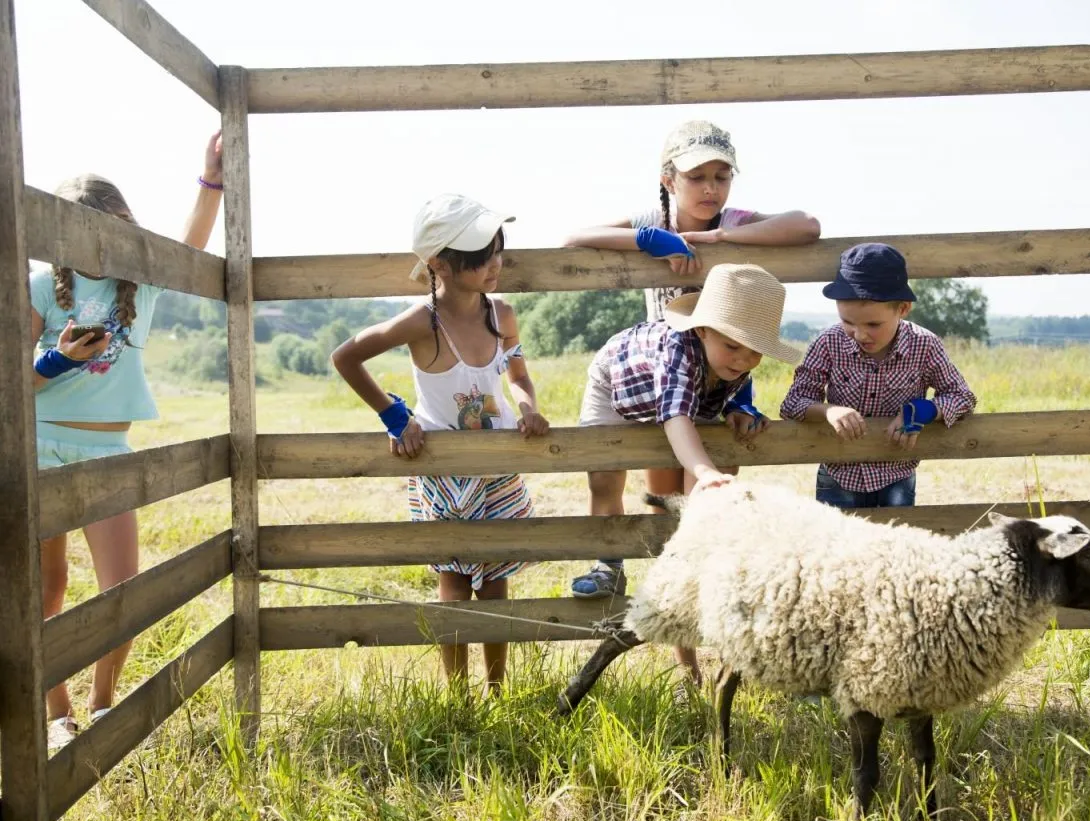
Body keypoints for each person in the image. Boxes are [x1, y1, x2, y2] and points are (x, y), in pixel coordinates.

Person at [564, 119, 820, 597]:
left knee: (701, 479)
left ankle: (693, 573)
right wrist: (650, 240)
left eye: (721, 178)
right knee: (616, 475)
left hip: (723, 372)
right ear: (668, 180)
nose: (710, 189)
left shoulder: (734, 222)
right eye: (696, 178)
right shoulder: (653, 219)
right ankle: (610, 564)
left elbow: (807, 226)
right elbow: (574, 237)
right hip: (651, 369)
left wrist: (717, 241)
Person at [31, 132, 226, 749]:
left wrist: (211, 179)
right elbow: (15, 385)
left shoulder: (142, 283)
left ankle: (104, 701)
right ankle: (58, 713)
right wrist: (57, 361)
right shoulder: (38, 286)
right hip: (41, 446)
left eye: (121, 227)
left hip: (108, 451)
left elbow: (191, 242)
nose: (113, 240)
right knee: (48, 588)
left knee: (124, 592)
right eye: (99, 230)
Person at [331, 194, 548, 694]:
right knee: (453, 583)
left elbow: (517, 374)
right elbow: (346, 358)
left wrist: (528, 407)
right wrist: (394, 416)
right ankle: (456, 694)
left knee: (495, 582)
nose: (495, 263)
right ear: (440, 265)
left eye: (497, 249)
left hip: (497, 466)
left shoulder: (502, 314)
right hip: (442, 469)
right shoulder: (421, 322)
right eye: (480, 256)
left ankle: (497, 689)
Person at [573, 262, 800, 684]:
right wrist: (703, 469)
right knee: (604, 474)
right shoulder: (674, 349)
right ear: (702, 331)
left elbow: (722, 395)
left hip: (686, 406)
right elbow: (676, 414)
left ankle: (694, 666)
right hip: (619, 391)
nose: (745, 359)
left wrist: (740, 408)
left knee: (688, 536)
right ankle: (608, 562)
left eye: (755, 351)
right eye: (734, 346)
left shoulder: (733, 361)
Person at [779, 243, 977, 510]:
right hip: (839, 473)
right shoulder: (828, 343)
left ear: (903, 309)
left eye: (873, 324)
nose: (859, 334)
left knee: (894, 546)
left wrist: (925, 410)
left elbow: (962, 396)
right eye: (848, 322)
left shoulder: (925, 345)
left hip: (896, 474)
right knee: (836, 547)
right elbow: (793, 402)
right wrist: (829, 410)